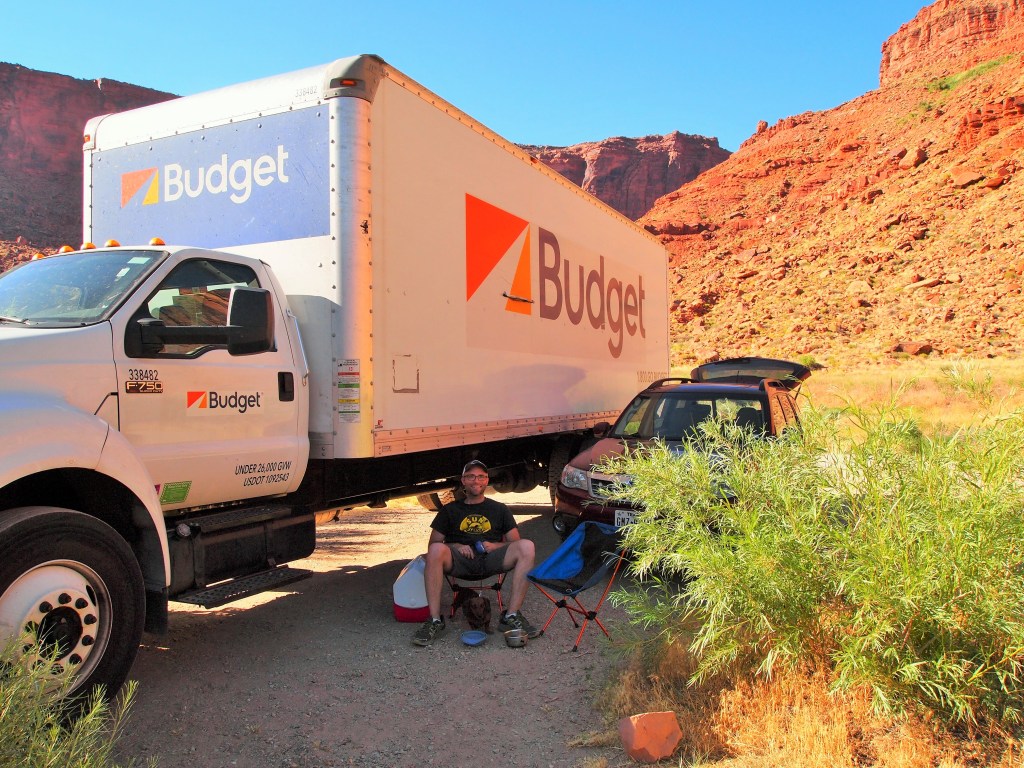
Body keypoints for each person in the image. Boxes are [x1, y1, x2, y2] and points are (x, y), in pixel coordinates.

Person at [412, 460, 540, 646]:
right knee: (435, 550)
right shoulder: (450, 510)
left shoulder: (499, 509)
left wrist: (495, 546)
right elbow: (433, 543)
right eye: (470, 476)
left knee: (527, 546)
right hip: (460, 561)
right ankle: (434, 621)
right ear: (463, 480)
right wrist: (455, 546)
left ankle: (511, 616)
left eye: (481, 476)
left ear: (487, 480)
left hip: (491, 560)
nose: (476, 480)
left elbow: (515, 542)